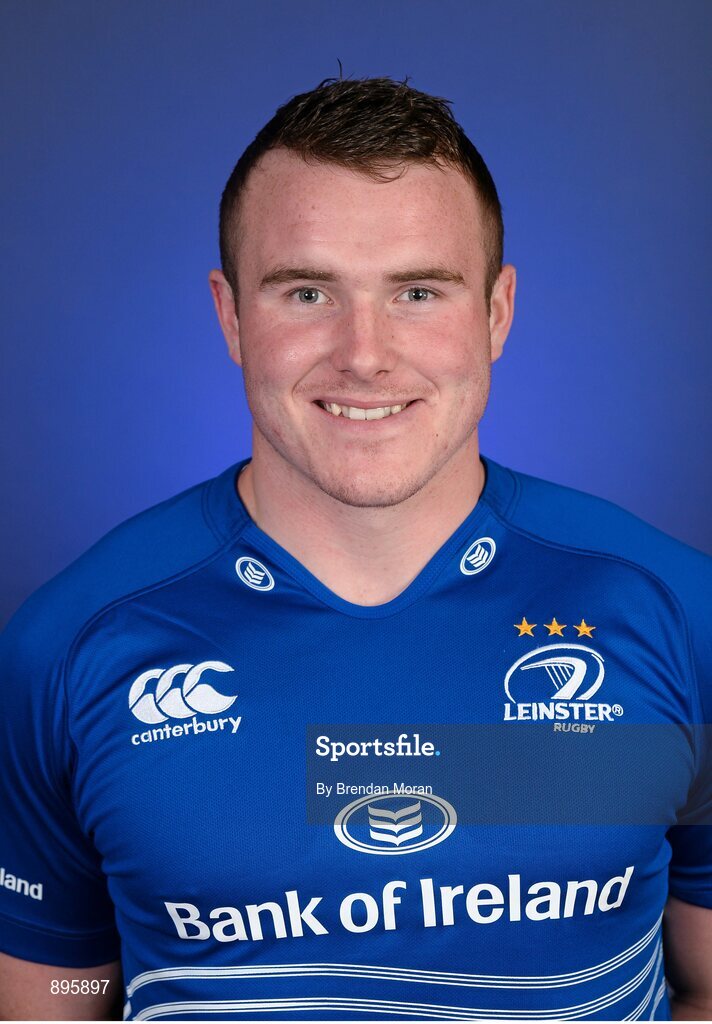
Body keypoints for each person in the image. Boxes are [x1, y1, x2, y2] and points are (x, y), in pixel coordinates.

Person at [0, 76, 710, 1023]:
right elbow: (51, 1006)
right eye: (306, 291)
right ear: (231, 317)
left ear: (497, 313)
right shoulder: (66, 648)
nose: (364, 353)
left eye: (418, 290)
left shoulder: (676, 612)